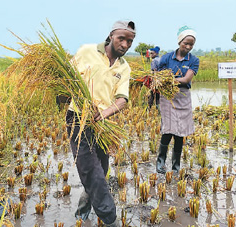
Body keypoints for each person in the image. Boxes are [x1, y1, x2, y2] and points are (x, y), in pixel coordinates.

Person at [66, 20, 136, 226]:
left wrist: (104, 113)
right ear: (111, 36)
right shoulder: (86, 51)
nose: (125, 44)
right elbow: (68, 79)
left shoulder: (124, 68)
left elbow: (122, 99)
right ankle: (109, 218)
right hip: (78, 118)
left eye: (130, 41)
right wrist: (82, 103)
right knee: (90, 170)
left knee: (102, 169)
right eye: (121, 38)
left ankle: (83, 208)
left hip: (103, 124)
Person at [155, 26, 199, 174]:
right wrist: (162, 81)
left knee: (181, 132)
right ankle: (160, 162)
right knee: (168, 129)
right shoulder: (167, 57)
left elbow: (187, 79)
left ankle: (176, 165)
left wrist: (169, 80)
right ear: (180, 41)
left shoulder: (194, 60)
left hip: (183, 97)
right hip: (167, 96)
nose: (188, 46)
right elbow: (158, 76)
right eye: (185, 43)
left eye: (191, 44)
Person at [145, 46, 161, 112]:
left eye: (152, 53)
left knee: (152, 95)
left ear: (156, 53)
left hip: (156, 81)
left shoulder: (154, 61)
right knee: (157, 95)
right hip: (160, 80)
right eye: (150, 53)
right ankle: (157, 109)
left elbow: (154, 71)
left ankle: (149, 109)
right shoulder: (160, 59)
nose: (150, 55)